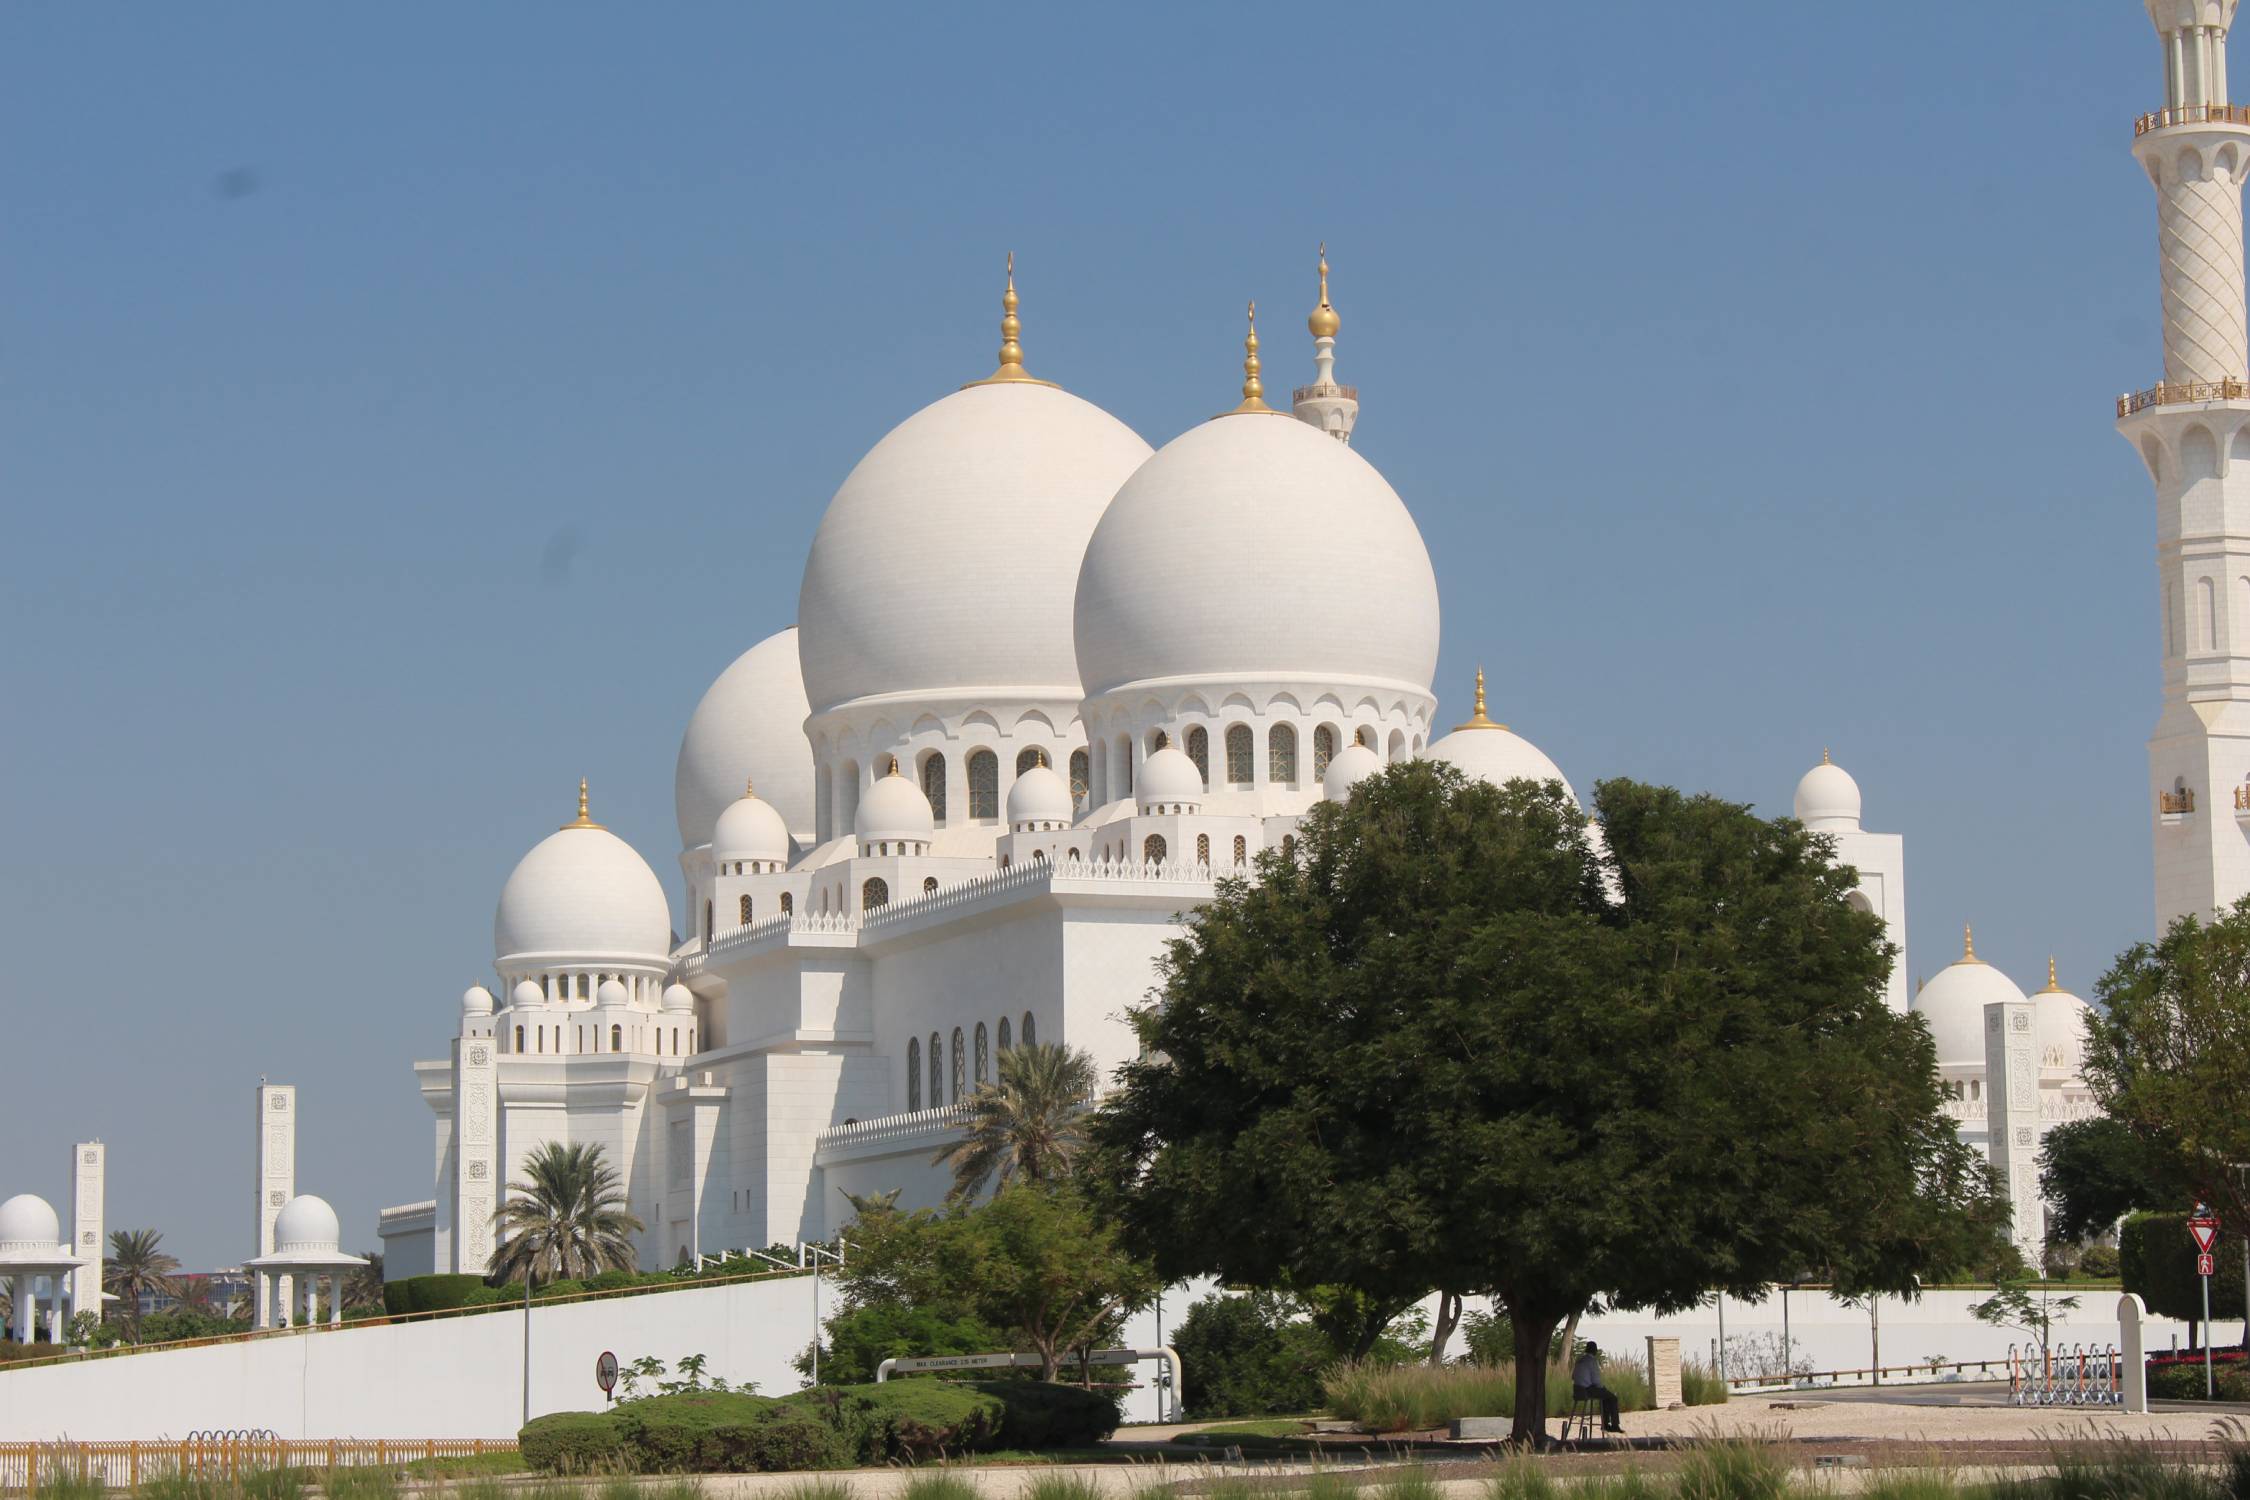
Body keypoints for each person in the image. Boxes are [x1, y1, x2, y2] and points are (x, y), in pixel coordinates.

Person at [1572, 1340, 1623, 1433]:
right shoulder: (1592, 1361)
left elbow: (1573, 1377)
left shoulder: (1580, 1360)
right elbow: (1596, 1381)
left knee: (1605, 1397)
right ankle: (1614, 1425)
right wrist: (1603, 1388)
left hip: (1577, 1390)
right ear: (1594, 1350)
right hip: (1587, 1390)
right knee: (1612, 1398)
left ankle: (1606, 1424)